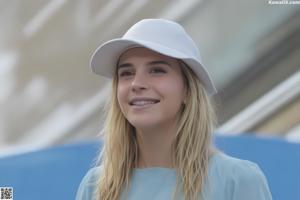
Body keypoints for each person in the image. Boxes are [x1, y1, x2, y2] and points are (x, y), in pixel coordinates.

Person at [76, 19, 272, 200]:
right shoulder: (95, 187)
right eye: (126, 73)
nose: (137, 83)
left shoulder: (237, 180)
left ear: (188, 89)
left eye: (157, 70)